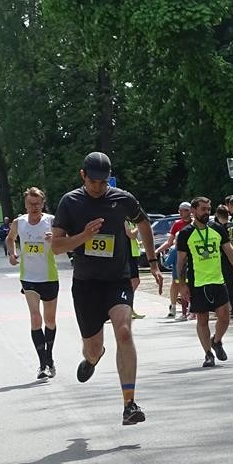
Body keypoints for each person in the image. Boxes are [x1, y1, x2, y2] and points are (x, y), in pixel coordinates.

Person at [51, 151, 163, 424]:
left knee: (124, 332)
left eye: (103, 182)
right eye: (93, 181)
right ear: (83, 175)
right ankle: (93, 358)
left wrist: (152, 262)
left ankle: (129, 404)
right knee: (92, 348)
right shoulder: (70, 202)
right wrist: (83, 236)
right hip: (86, 284)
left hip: (117, 280)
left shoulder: (122, 199)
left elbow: (144, 223)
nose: (98, 187)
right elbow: (56, 246)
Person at [176, 197, 233, 367]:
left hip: (218, 280)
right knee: (202, 319)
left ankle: (217, 340)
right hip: (198, 283)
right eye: (203, 209)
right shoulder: (185, 233)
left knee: (225, 316)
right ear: (193, 211)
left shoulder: (217, 228)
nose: (207, 212)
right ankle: (208, 354)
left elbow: (230, 251)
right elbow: (181, 261)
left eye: (208, 209)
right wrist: (182, 285)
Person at [7, 187, 59, 379]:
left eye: (37, 204)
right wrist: (12, 254)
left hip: (49, 277)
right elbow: (10, 238)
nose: (34, 207)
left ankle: (50, 357)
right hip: (28, 277)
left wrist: (55, 239)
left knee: (50, 320)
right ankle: (42, 364)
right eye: (31, 204)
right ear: (25, 204)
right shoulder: (19, 222)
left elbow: (65, 241)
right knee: (36, 318)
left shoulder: (51, 221)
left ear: (43, 204)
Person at [158, 201, 192, 319]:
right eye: (179, 210)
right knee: (176, 283)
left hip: (191, 257)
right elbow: (169, 242)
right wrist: (157, 251)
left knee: (189, 284)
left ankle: (191, 308)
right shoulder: (177, 224)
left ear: (189, 211)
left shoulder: (194, 223)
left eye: (182, 210)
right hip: (180, 257)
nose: (180, 213)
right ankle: (173, 306)